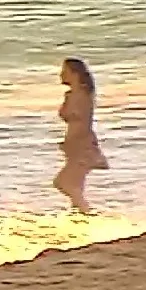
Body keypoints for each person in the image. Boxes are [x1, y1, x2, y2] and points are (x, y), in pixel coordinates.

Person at [54, 57, 107, 214]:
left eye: (65, 72)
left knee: (63, 183)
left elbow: (81, 121)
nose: (61, 75)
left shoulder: (82, 95)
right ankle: (80, 216)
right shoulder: (73, 95)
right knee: (75, 185)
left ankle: (88, 213)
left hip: (82, 143)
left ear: (75, 74)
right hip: (75, 144)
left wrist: (77, 144)